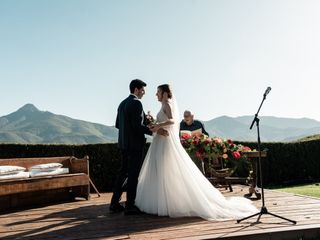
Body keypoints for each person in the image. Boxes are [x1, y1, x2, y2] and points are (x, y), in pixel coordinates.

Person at [135, 84, 258, 220]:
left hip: (165, 142)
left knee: (167, 170)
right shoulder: (162, 105)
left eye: (158, 92)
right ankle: (160, 200)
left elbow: (172, 120)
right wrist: (155, 124)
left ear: (164, 93)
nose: (156, 94)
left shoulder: (167, 104)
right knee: (160, 170)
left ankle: (168, 202)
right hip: (160, 141)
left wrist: (158, 125)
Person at [109, 79, 168, 215]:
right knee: (133, 175)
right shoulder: (136, 103)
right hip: (134, 146)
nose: (144, 93)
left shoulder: (122, 103)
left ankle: (114, 204)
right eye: (142, 90)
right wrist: (154, 130)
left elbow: (118, 124)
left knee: (122, 173)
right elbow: (137, 126)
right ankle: (130, 205)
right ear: (136, 89)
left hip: (123, 144)